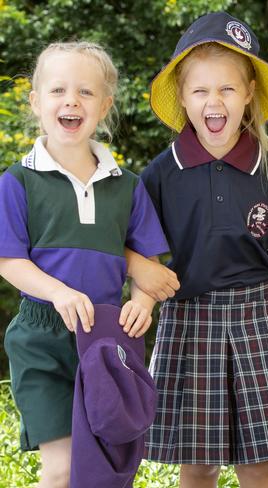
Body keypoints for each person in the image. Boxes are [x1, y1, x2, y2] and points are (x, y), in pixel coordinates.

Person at [141, 12, 268, 488]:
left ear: (248, 96)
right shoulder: (160, 173)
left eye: (227, 89)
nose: (214, 100)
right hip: (188, 316)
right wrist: (144, 284)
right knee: (197, 463)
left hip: (257, 320)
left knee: (256, 461)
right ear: (182, 98)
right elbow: (134, 247)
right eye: (200, 90)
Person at [0, 41, 170, 488]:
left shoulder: (127, 186)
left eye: (85, 92)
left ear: (105, 105)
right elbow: (10, 261)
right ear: (36, 103)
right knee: (59, 471)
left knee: (101, 472)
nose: (71, 100)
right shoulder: (17, 181)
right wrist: (58, 292)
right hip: (42, 338)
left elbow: (147, 265)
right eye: (57, 90)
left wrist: (142, 304)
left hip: (106, 340)